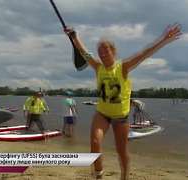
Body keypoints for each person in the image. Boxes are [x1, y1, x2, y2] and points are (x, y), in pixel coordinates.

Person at [64, 23, 181, 179]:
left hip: (121, 117)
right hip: (103, 114)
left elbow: (144, 54)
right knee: (94, 142)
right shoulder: (98, 67)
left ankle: (124, 176)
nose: (103, 54)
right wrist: (74, 36)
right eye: (100, 51)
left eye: (106, 50)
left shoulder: (123, 67)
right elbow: (84, 52)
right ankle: (98, 174)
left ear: (113, 52)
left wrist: (164, 39)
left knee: (121, 151)